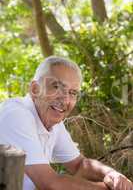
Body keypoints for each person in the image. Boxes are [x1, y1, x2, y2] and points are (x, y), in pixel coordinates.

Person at [0, 56, 132, 190]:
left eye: (72, 93)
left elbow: (80, 165)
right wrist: (107, 189)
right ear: (35, 89)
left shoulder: (53, 123)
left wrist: (112, 174)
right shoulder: (16, 115)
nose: (65, 100)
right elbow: (50, 183)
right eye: (56, 86)